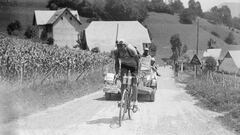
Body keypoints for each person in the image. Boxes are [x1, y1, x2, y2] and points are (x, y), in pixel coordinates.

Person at [114, 39, 139, 112]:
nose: (121, 50)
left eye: (122, 47)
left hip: (134, 66)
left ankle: (135, 103)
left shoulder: (131, 50)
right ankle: (123, 100)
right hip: (124, 65)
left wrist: (137, 73)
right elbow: (117, 63)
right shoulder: (116, 51)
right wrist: (117, 73)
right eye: (119, 47)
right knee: (123, 83)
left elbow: (138, 62)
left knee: (134, 84)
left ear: (125, 46)